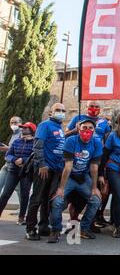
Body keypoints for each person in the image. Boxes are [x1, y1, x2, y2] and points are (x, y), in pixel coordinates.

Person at [48, 119, 103, 243]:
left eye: (90, 128)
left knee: (96, 200)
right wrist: (61, 188)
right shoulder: (71, 141)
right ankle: (55, 229)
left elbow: (94, 167)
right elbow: (68, 167)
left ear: (94, 131)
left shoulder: (96, 143)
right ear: (79, 129)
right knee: (57, 201)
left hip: (83, 177)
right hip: (69, 177)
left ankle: (84, 228)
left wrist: (94, 188)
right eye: (84, 128)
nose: (87, 130)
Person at [25, 103, 66, 241]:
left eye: (63, 110)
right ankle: (30, 229)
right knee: (36, 199)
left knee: (47, 200)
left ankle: (43, 226)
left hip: (55, 170)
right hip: (44, 169)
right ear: (50, 113)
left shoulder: (60, 128)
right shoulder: (45, 125)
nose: (61, 112)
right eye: (58, 110)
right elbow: (38, 146)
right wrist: (41, 164)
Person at [0, 122, 35, 225]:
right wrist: (15, 160)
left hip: (27, 172)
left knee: (24, 195)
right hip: (13, 171)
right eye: (22, 128)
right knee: (5, 194)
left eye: (26, 128)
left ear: (32, 130)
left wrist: (23, 160)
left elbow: (35, 157)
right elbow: (8, 155)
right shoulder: (16, 141)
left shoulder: (35, 143)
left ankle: (21, 217)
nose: (23, 130)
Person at [0, 116, 23, 197]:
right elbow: (11, 149)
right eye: (11, 123)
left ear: (20, 124)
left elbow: (21, 149)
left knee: (19, 189)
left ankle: (23, 208)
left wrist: (7, 148)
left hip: (15, 166)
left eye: (15, 122)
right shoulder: (13, 134)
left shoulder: (22, 134)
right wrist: (5, 148)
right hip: (7, 164)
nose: (13, 124)